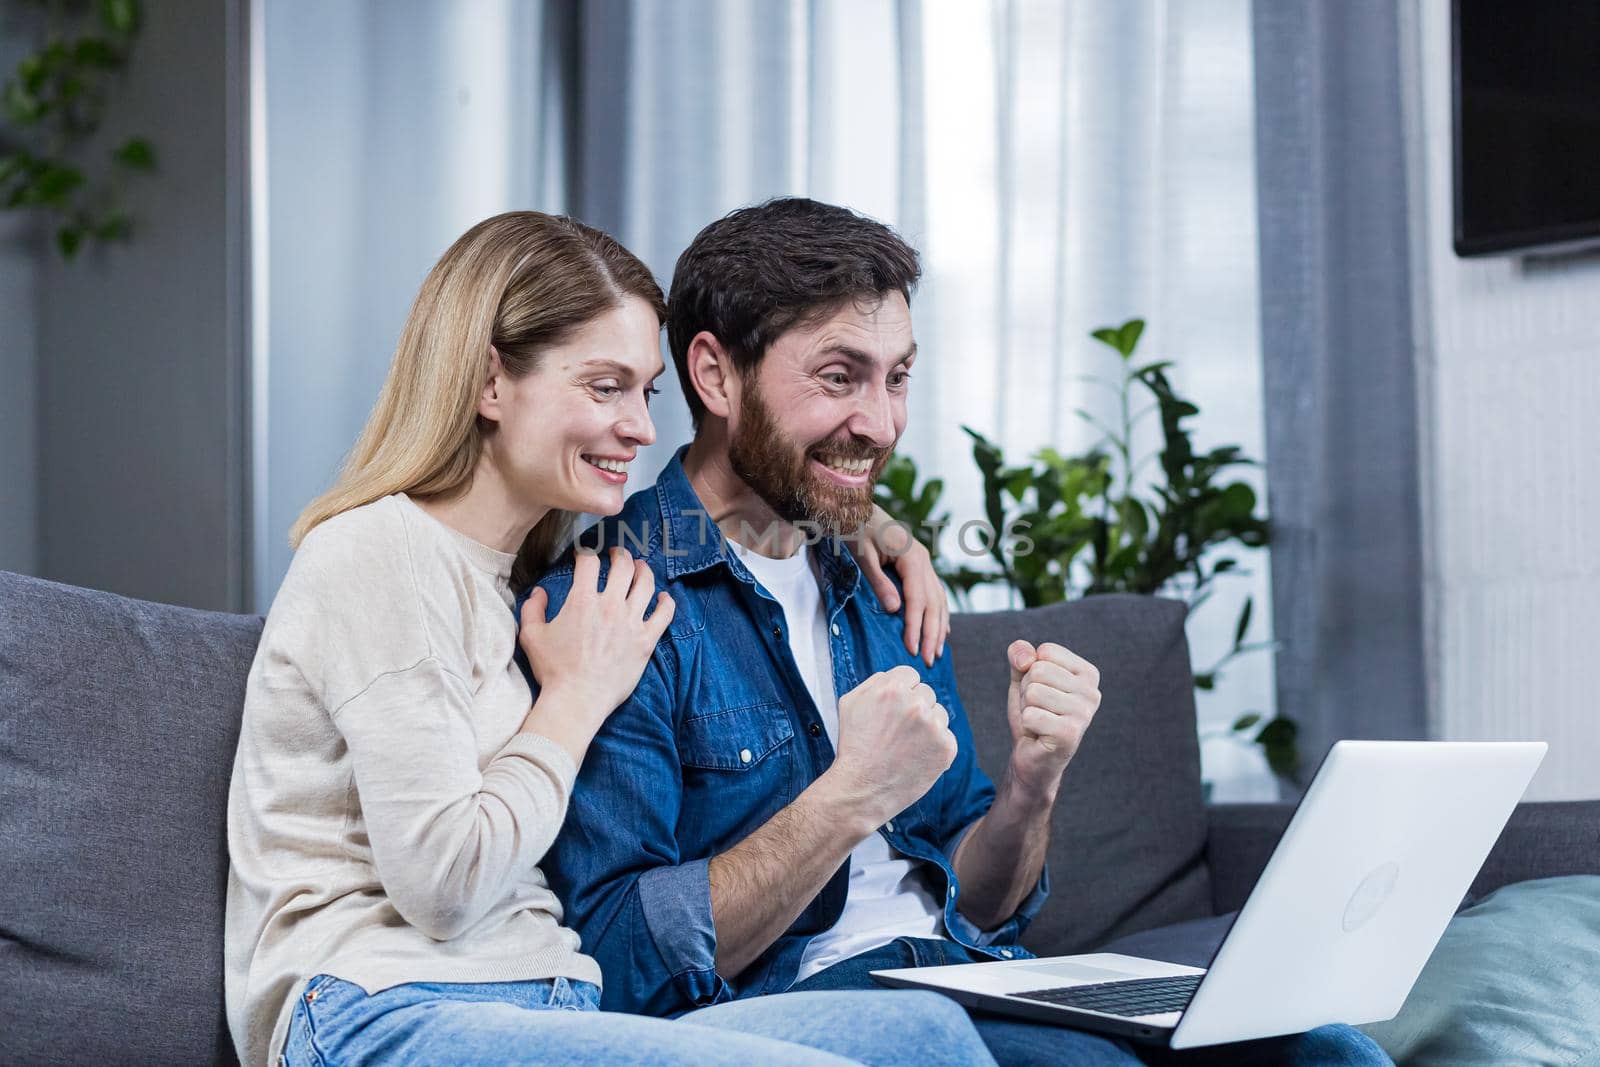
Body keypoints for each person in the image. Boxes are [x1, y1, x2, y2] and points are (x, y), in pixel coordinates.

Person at [522, 198, 1393, 1067]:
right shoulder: (618, 602)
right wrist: (850, 794)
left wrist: (1030, 785)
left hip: (975, 975)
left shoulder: (877, 577)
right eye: (839, 376)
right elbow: (620, 959)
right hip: (813, 1010)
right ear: (715, 376)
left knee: (1327, 1049)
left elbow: (979, 904)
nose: (883, 423)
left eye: (897, 377)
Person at [224, 211, 998, 1067]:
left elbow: (731, 519)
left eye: (645, 392)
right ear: (490, 384)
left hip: (552, 1001)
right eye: (604, 388)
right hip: (379, 1003)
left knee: (926, 1035)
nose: (639, 426)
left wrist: (857, 519)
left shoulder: (530, 573)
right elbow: (442, 886)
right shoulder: (379, 552)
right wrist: (575, 697)